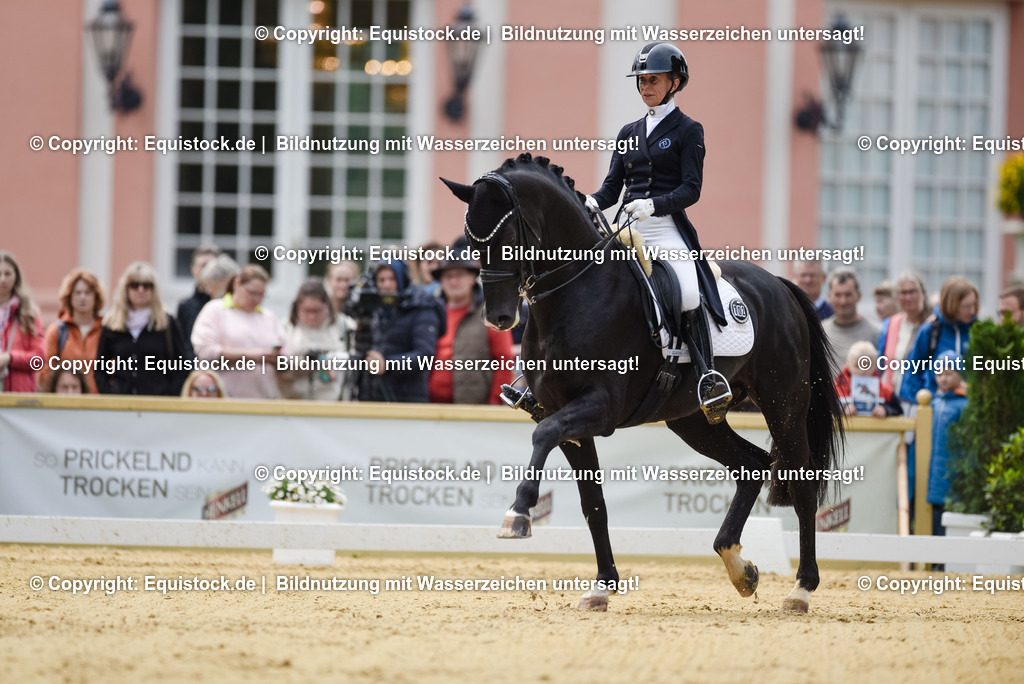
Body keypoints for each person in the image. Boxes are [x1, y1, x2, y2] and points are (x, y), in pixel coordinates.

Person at [584, 42, 730, 422]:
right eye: (642, 80)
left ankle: (706, 376)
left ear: (675, 82)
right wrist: (589, 202)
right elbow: (611, 188)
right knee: (580, 278)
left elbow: (691, 188)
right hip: (626, 226)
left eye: (654, 80)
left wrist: (654, 204)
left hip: (664, 227)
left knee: (686, 291)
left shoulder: (688, 130)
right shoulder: (628, 131)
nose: (646, 86)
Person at [191, 264, 286, 399]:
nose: (257, 299)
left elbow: (287, 354)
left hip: (263, 399)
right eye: (252, 293)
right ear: (237, 284)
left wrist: (278, 359)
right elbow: (205, 351)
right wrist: (250, 356)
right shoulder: (215, 310)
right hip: (224, 399)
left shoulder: (268, 317)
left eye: (261, 294)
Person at [428, 257, 515, 404]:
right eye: (448, 277)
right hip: (429, 405)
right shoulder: (430, 312)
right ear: (441, 281)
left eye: (459, 275)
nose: (453, 281)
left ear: (472, 277)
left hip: (474, 409)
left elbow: (505, 361)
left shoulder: (490, 315)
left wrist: (495, 402)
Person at [95, 262, 187, 396]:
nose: (141, 290)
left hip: (158, 404)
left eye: (147, 285)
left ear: (153, 290)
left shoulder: (166, 322)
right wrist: (109, 394)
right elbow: (100, 367)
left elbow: (182, 366)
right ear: (126, 289)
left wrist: (168, 394)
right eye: (134, 285)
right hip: (121, 403)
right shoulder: (112, 323)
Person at [359, 259, 445, 402]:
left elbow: (425, 356)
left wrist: (387, 364)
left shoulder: (423, 306)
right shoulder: (375, 310)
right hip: (375, 396)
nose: (387, 285)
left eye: (392, 278)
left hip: (409, 399)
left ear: (402, 279)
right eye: (381, 280)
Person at [900, 275, 979, 403]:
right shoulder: (931, 331)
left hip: (971, 410)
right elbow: (912, 372)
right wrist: (925, 402)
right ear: (951, 305)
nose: (972, 311)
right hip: (937, 408)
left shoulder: (978, 331)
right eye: (966, 306)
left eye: (974, 305)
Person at [278, 279, 346, 401]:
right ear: (297, 306)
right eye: (306, 310)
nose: (312, 316)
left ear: (327, 306)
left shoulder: (344, 326)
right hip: (293, 404)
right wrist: (293, 367)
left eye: (317, 310)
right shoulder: (283, 328)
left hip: (332, 404)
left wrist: (333, 363)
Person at [42, 268, 105, 394]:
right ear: (69, 296)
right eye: (77, 293)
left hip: (99, 404)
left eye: (88, 293)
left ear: (96, 297)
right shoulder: (57, 331)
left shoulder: (107, 331)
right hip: (65, 404)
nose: (82, 297)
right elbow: (44, 372)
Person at [928, 349, 968, 537]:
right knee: (935, 518)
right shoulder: (934, 404)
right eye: (939, 374)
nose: (943, 378)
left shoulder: (964, 405)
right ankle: (936, 564)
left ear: (960, 374)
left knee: (952, 516)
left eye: (949, 373)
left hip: (954, 472)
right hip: (934, 475)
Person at [876, 270, 931, 400]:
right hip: (890, 400)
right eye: (903, 293)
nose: (908, 297)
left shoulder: (932, 325)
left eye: (912, 292)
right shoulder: (891, 324)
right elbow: (880, 364)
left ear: (922, 293)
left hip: (918, 400)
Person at [0, 251, 45, 393]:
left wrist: (10, 358)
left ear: (16, 277)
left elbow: (39, 359)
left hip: (19, 396)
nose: (2, 279)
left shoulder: (29, 313)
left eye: (8, 274)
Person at [821, 268, 880, 368]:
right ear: (829, 296)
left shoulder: (876, 333)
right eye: (838, 295)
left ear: (859, 296)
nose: (843, 301)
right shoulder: (821, 332)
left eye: (848, 295)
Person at [834, 341, 901, 418]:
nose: (862, 371)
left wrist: (885, 410)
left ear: (874, 366)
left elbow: (898, 410)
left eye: (867, 366)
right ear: (848, 365)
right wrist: (843, 408)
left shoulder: (885, 390)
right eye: (857, 366)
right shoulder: (837, 388)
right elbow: (826, 407)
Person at [177, 245, 223, 355]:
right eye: (203, 265)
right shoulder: (185, 306)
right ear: (193, 269)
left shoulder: (227, 304)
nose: (208, 270)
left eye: (212, 266)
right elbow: (182, 345)